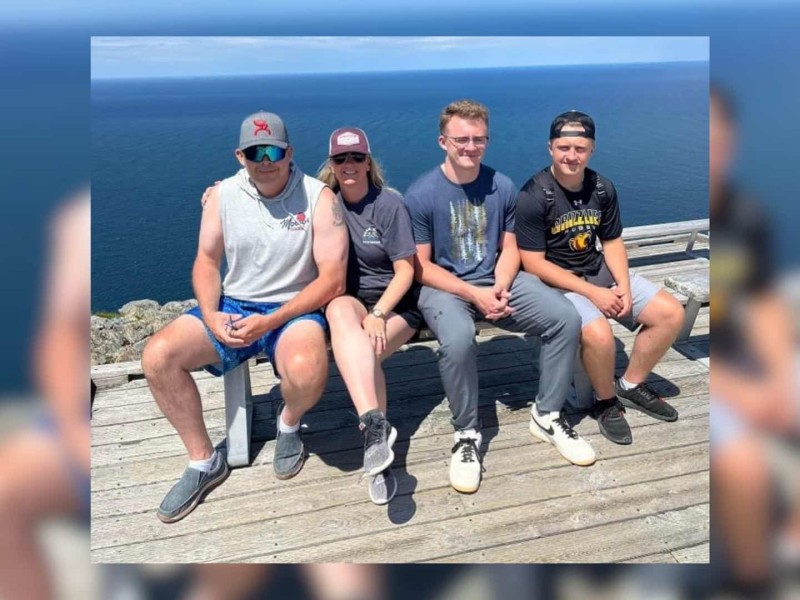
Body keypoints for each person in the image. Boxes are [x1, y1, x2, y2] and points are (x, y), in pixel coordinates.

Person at [141, 111, 348, 523]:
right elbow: (205, 261)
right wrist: (213, 313)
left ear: (289, 153)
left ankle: (288, 423)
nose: (265, 159)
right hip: (234, 306)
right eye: (255, 151)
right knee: (157, 356)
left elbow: (332, 281)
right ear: (240, 156)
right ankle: (203, 461)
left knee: (308, 370)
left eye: (274, 150)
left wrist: (271, 321)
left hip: (294, 309)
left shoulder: (318, 197)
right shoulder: (221, 197)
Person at [403, 99, 586, 495]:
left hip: (497, 280)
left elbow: (510, 248)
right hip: (445, 287)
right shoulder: (421, 194)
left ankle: (548, 413)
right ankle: (466, 433)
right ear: (443, 141)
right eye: (461, 139)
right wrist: (474, 293)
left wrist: (499, 287)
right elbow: (421, 267)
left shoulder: (501, 185)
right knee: (457, 340)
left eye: (478, 139)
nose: (470, 147)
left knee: (565, 317)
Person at [515, 110, 685, 447]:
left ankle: (631, 384)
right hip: (559, 283)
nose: (571, 156)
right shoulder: (534, 194)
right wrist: (593, 294)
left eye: (580, 148)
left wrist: (621, 284)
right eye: (564, 147)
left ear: (591, 150)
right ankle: (605, 401)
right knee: (599, 333)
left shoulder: (602, 188)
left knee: (670, 314)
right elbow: (532, 262)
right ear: (550, 148)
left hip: (598, 271)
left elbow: (611, 241)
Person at [708, 85, 800, 597]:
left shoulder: (746, 213)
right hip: (715, 372)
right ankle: (752, 579)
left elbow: (764, 302)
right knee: (742, 465)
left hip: (746, 356)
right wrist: (739, 393)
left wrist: (782, 378)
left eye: (720, 139)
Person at [316, 127, 422, 505]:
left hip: (395, 304)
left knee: (363, 353)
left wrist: (379, 312)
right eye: (341, 159)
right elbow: (274, 186)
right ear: (331, 164)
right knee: (340, 309)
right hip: (352, 302)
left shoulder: (389, 204)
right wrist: (220, 189)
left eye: (356, 158)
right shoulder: (323, 201)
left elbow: (406, 271)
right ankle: (376, 429)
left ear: (368, 162)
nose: (349, 165)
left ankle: (380, 459)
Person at [0, 191, 90, 600]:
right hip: (77, 421)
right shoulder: (79, 219)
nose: (263, 160)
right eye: (254, 152)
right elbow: (59, 335)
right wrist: (73, 433)